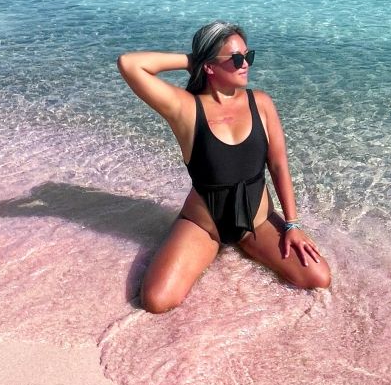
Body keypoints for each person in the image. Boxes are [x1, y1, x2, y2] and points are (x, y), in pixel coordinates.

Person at [117, 22, 331, 312]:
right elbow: (130, 64)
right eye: (236, 58)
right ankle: (197, 245)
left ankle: (247, 244)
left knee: (318, 277)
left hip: (257, 221)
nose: (245, 65)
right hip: (205, 225)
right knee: (157, 301)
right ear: (209, 68)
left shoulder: (262, 103)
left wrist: (292, 225)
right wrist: (193, 59)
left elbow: (279, 166)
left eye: (247, 56)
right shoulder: (186, 109)